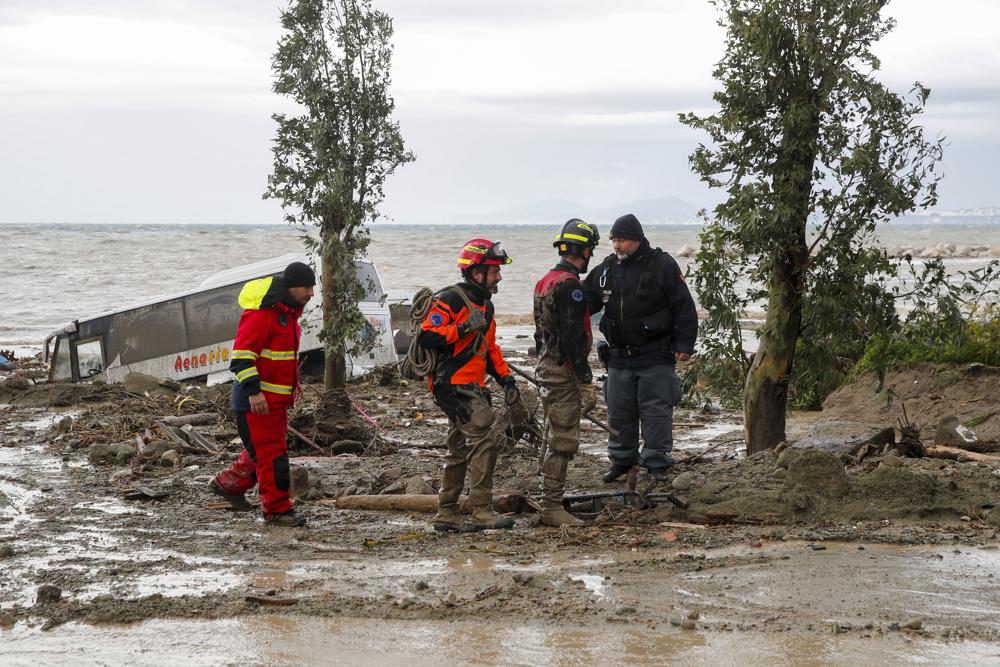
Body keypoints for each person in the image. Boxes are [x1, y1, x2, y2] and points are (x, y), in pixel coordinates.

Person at [583, 214, 697, 482]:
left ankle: (656, 463)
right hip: (619, 357)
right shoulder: (608, 268)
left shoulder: (662, 264)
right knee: (619, 412)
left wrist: (685, 344)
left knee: (656, 412)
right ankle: (622, 461)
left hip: (655, 355)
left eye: (621, 240)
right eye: (613, 240)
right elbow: (585, 299)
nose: (616, 246)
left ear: (637, 239)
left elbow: (684, 307)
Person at [418, 239, 523, 532]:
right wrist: (463, 327)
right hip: (451, 384)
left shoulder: (486, 307)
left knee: (459, 448)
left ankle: (447, 512)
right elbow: (426, 335)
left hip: (470, 384)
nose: (499, 276)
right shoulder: (452, 299)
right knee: (483, 442)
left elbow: (489, 349)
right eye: (494, 271)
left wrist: (508, 380)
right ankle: (480, 509)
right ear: (476, 272)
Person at [209, 261, 316, 527]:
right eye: (307, 287)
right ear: (291, 287)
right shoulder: (262, 314)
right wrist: (255, 393)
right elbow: (242, 358)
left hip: (274, 403)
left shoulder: (288, 315)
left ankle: (228, 485)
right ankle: (277, 511)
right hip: (257, 403)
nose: (311, 293)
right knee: (272, 458)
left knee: (263, 453)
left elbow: (278, 358)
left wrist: (294, 384)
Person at [533, 219, 601, 527]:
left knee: (551, 434)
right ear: (584, 251)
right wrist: (586, 381)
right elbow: (574, 337)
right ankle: (551, 506)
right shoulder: (570, 286)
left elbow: (539, 333)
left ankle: (550, 499)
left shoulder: (545, 280)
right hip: (562, 372)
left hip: (546, 366)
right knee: (563, 438)